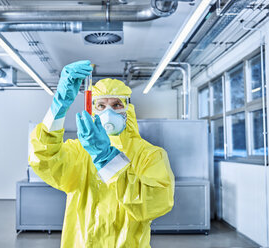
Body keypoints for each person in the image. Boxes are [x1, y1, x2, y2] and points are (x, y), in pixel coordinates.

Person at [29, 60, 175, 248]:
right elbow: (42, 158)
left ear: (128, 110)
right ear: (92, 109)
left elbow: (156, 201)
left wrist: (106, 157)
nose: (108, 111)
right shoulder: (79, 151)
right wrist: (59, 107)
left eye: (116, 105)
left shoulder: (150, 155)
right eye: (101, 105)